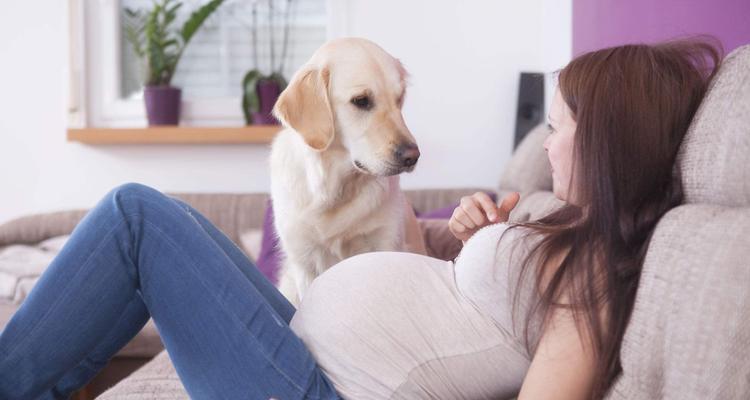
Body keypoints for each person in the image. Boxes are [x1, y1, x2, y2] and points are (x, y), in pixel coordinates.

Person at [0, 37, 721, 400]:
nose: (548, 142)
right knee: (164, 223)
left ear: (602, 143)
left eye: (558, 126)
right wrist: (470, 234)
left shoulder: (597, 268)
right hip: (309, 348)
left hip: (324, 388)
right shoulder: (563, 220)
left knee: (136, 218)